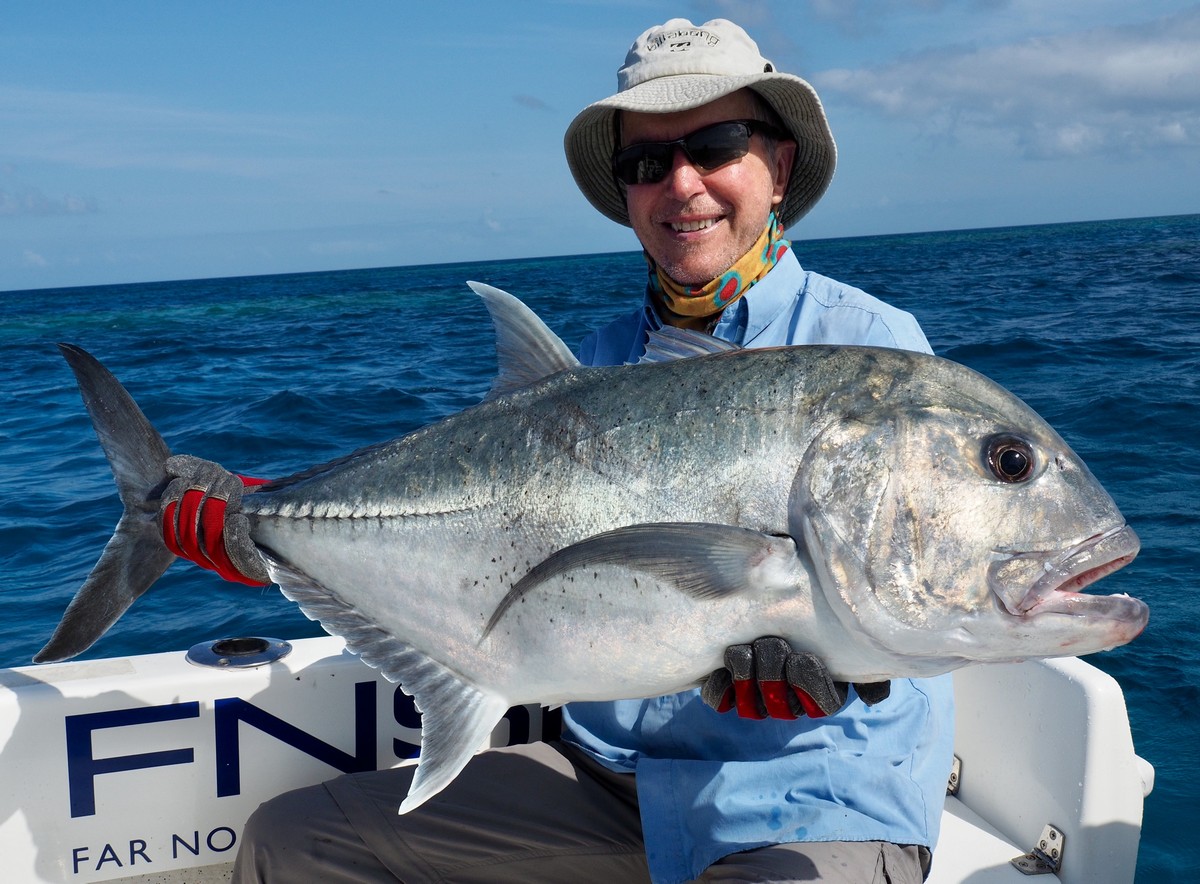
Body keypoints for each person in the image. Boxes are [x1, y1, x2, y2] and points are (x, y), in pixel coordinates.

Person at [163, 18, 955, 884]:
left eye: (718, 144)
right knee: (299, 843)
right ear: (626, 192)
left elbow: (912, 582)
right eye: (647, 162)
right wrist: (266, 527)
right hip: (610, 783)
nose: (682, 183)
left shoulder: (870, 354)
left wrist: (852, 676)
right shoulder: (596, 362)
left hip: (809, 795)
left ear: (781, 167)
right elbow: (474, 530)